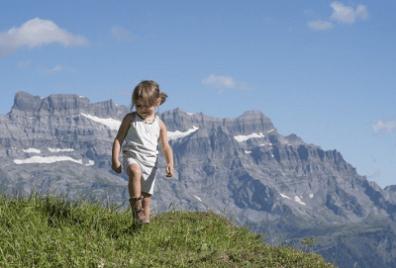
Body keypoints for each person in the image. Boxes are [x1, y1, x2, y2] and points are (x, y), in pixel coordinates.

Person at [111, 80, 174, 225]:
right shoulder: (130, 119)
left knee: (146, 198)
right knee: (134, 171)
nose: (143, 109)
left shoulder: (159, 124)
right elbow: (119, 139)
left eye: (147, 106)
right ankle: (136, 208)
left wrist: (170, 163)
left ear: (157, 103)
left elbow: (165, 146)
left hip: (151, 163)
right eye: (139, 106)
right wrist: (115, 159)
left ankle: (141, 225)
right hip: (133, 156)